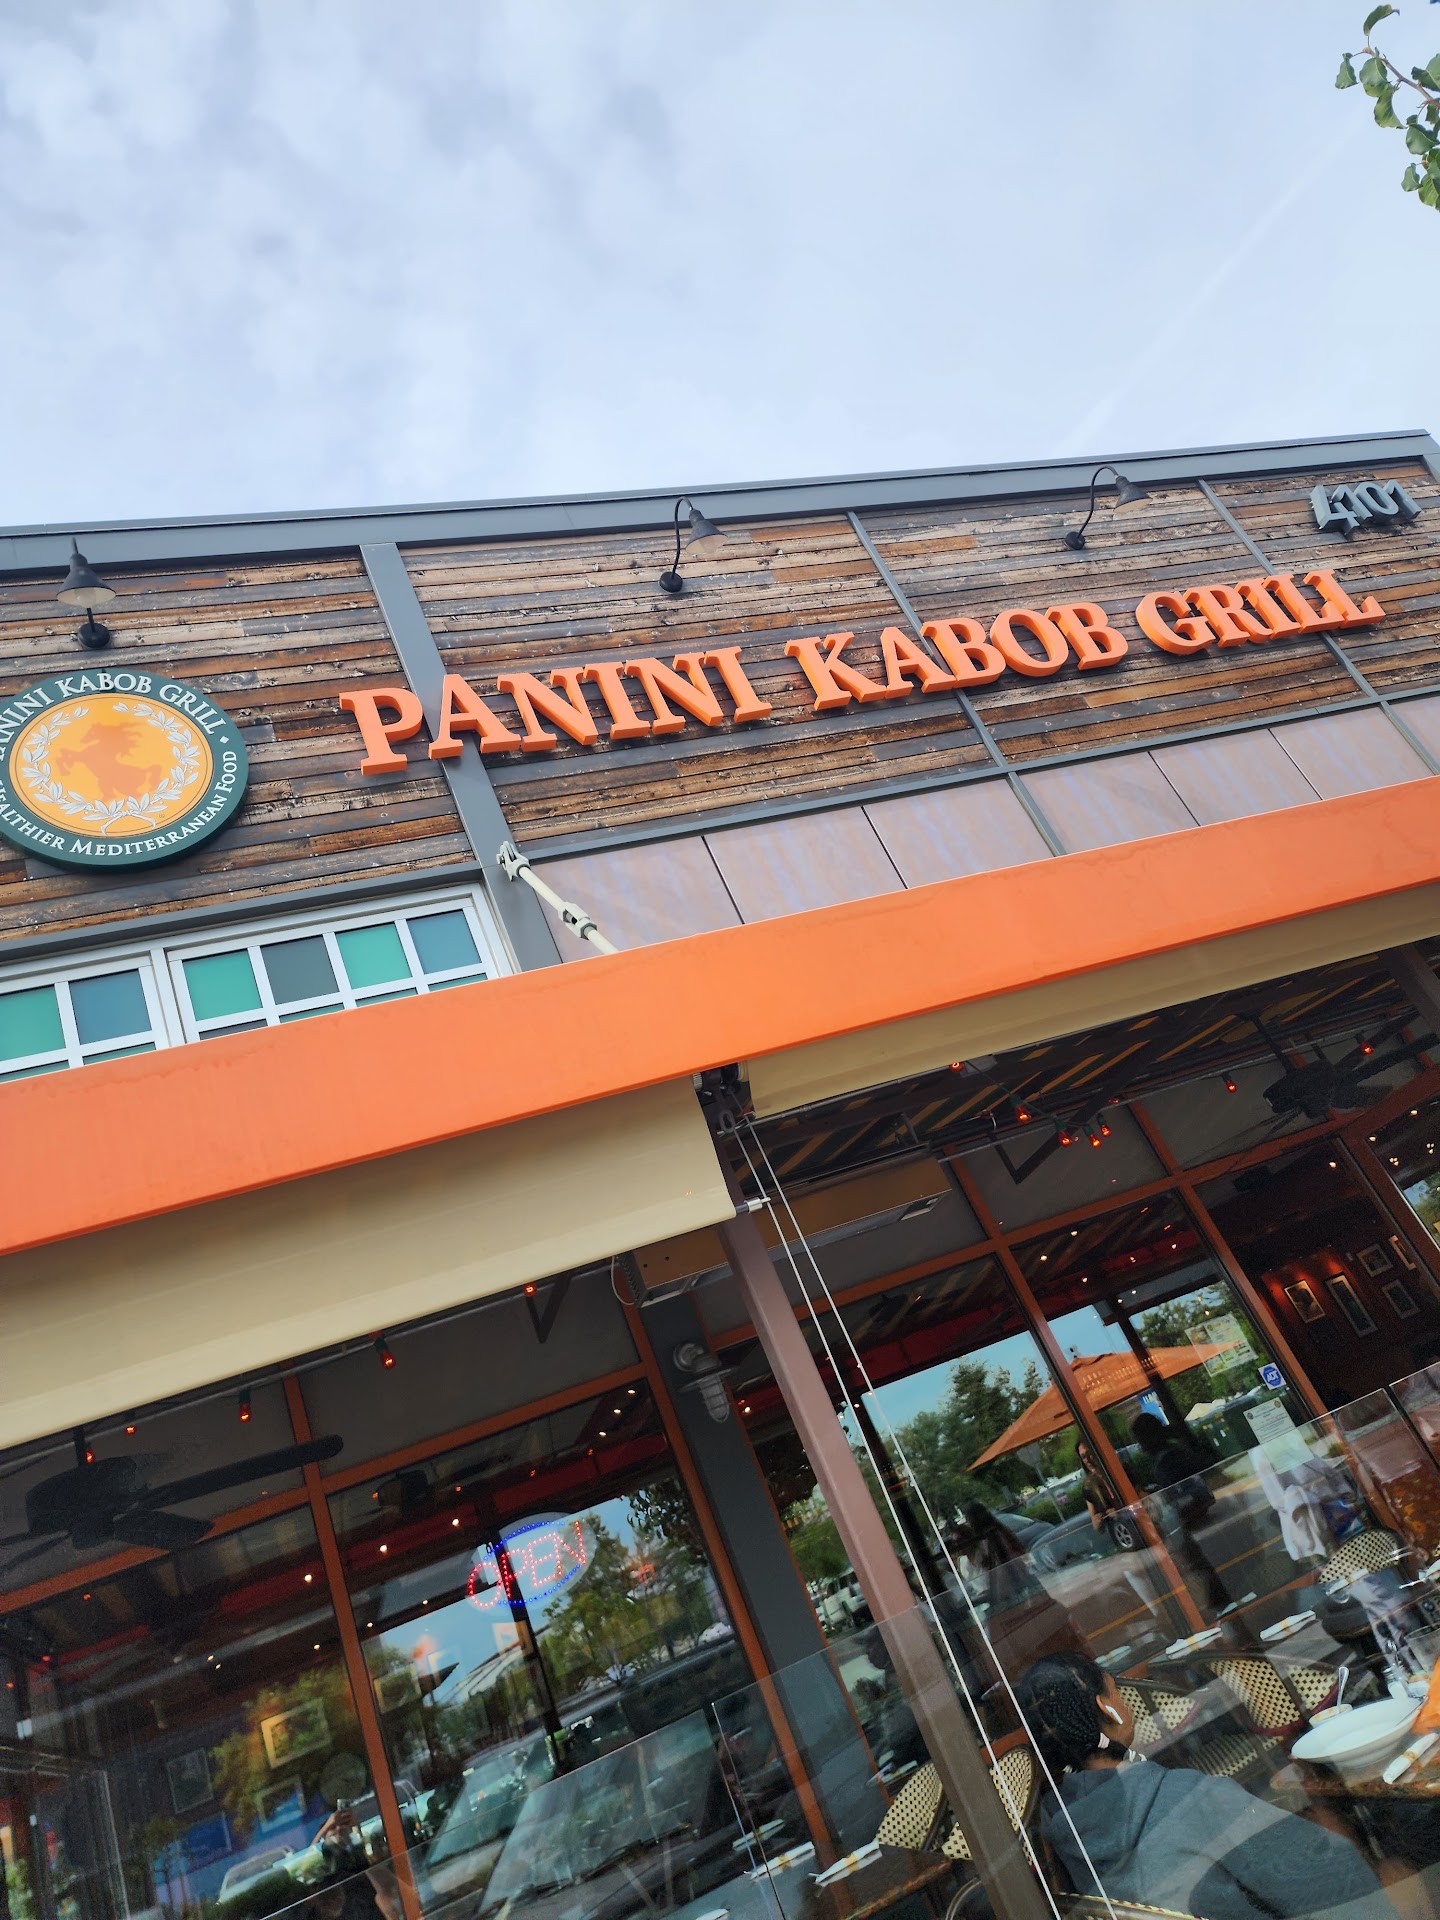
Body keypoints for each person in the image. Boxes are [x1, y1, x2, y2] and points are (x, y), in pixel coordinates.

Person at [1017, 1651, 1393, 1920]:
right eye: (1116, 1691)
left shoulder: (1062, 1829)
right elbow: (1326, 1880)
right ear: (1107, 1707)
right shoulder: (1190, 1797)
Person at [1131, 1411, 1230, 1614]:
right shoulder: (1172, 1454)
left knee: (1207, 1572)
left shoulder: (1170, 1460)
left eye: (1140, 1440)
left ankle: (1223, 1609)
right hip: (1191, 1526)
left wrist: (1171, 1505)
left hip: (1193, 1526)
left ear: (1149, 1438)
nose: (1140, 1447)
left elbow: (1185, 1492)